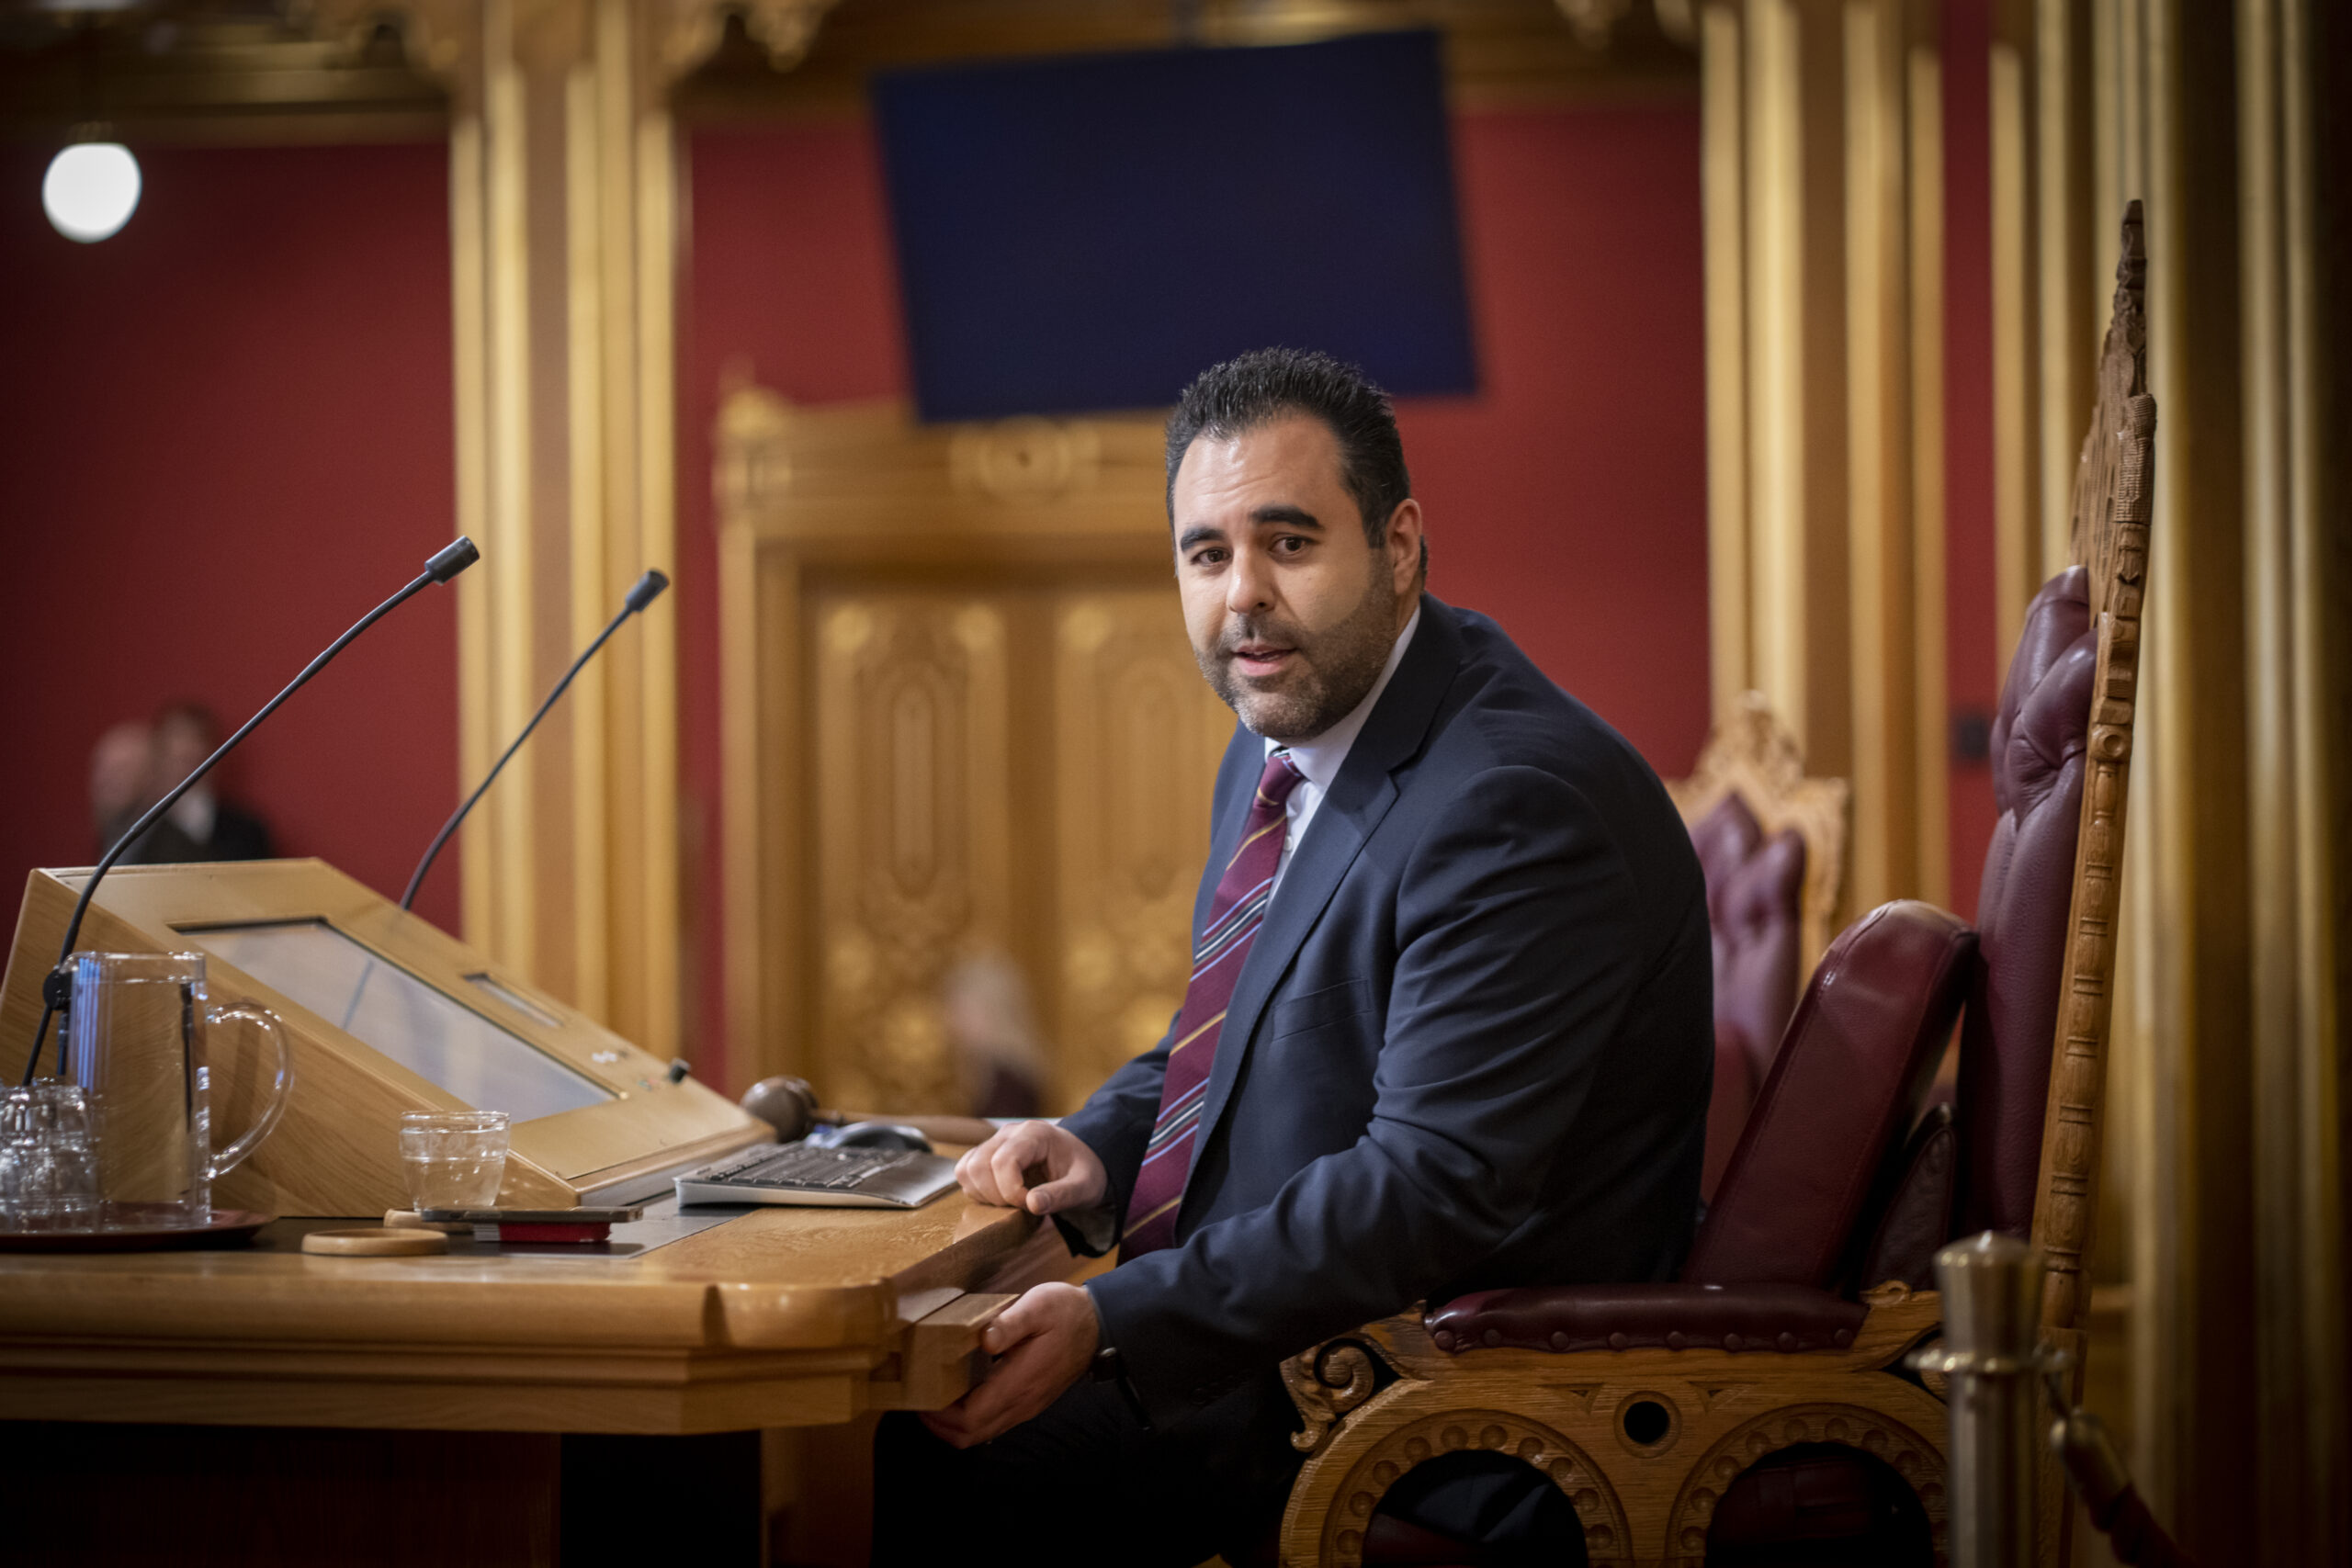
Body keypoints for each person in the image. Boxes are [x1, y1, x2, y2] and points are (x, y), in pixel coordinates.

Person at [872, 349, 1711, 1565]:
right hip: (1296, 1335)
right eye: (1207, 555)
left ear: (1400, 545)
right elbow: (1236, 1035)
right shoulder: (1281, 731)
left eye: (1289, 543)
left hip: (1436, 1406)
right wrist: (1099, 1150)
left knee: (932, 1449)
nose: (1244, 597)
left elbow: (1433, 1184)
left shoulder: (1516, 801)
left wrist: (1115, 1318)